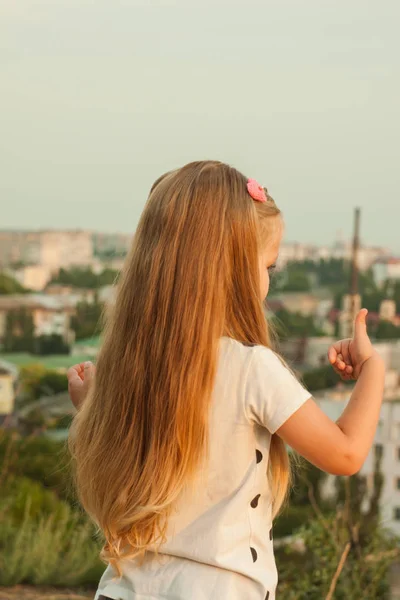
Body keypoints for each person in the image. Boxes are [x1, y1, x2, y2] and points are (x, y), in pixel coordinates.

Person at [67, 161, 385, 600]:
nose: (267, 283)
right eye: (268, 268)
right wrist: (374, 371)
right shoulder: (251, 368)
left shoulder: (130, 365)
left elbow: (147, 451)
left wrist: (91, 406)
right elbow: (346, 454)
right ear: (234, 270)